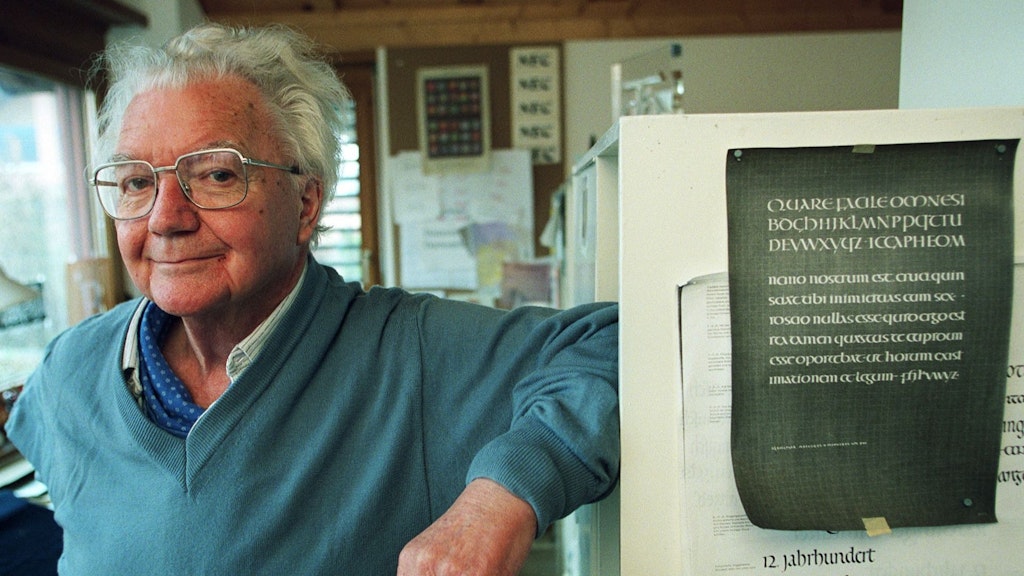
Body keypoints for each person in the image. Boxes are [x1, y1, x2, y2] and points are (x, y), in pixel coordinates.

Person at [5, 22, 619, 575]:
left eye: (217, 174)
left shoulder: (407, 354)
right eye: (138, 182)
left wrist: (501, 499)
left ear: (306, 204)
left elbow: (624, 345)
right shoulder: (71, 373)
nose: (166, 218)